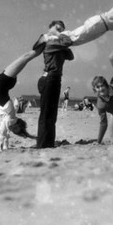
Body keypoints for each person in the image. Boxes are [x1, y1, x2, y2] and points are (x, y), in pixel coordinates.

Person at [0, 44, 44, 152]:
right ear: (16, 125)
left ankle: (42, 45)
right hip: (5, 80)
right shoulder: (10, 120)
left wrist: (4, 147)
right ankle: (44, 44)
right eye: (15, 130)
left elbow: (5, 132)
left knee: (26, 58)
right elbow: (2, 132)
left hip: (6, 81)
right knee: (26, 57)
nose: (13, 131)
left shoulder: (10, 121)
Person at [37, 20, 74, 148]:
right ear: (51, 28)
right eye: (57, 28)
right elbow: (68, 42)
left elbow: (70, 55)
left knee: (52, 115)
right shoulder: (50, 42)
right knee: (46, 114)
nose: (60, 31)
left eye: (62, 29)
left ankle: (48, 143)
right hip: (49, 78)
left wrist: (62, 45)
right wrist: (58, 35)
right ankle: (42, 144)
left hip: (55, 79)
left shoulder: (57, 44)